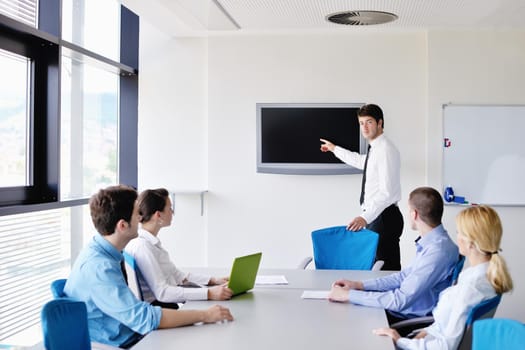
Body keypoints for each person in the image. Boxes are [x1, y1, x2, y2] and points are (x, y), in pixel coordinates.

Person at [64, 185, 233, 348]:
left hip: (127, 331)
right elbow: (144, 319)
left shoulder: (102, 250)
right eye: (136, 213)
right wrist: (205, 315)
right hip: (121, 341)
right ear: (122, 225)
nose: (141, 217)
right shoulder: (99, 268)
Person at [373, 205, 513, 349]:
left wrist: (399, 340)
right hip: (426, 339)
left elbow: (446, 345)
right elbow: (444, 323)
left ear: (470, 243)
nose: (456, 236)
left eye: (459, 232)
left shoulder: (471, 288)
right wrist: (420, 334)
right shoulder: (483, 275)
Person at [328, 187, 459, 324]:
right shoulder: (434, 242)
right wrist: (359, 285)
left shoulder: (437, 252)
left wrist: (349, 295)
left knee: (344, 319)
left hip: (409, 319)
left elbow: (399, 301)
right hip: (403, 310)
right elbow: (403, 276)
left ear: (414, 214)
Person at [320, 103, 403, 270]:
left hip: (383, 217)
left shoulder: (385, 150)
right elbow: (361, 161)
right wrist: (334, 149)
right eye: (361, 123)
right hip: (378, 216)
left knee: (385, 270)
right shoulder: (376, 149)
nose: (364, 127)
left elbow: (387, 193)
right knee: (378, 267)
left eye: (369, 122)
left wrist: (365, 217)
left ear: (380, 123)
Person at [125, 188, 233, 304]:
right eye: (170, 208)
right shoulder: (143, 247)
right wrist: (209, 293)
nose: (173, 212)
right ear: (158, 215)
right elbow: (162, 293)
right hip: (162, 309)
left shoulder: (150, 243)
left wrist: (214, 281)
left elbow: (178, 276)